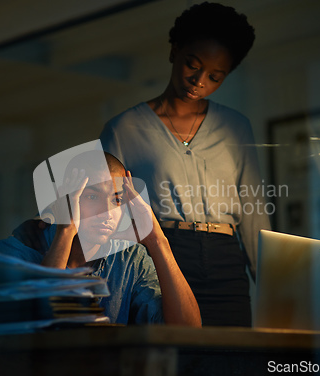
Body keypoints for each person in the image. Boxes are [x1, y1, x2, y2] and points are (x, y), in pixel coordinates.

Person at [99, 2, 271, 326]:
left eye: (215, 77)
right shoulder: (123, 129)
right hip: (162, 258)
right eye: (192, 64)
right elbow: (108, 212)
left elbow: (253, 214)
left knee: (232, 358)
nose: (198, 80)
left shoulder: (236, 127)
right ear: (174, 51)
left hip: (226, 262)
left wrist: (278, 290)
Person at [0, 151, 201, 327]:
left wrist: (157, 242)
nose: (107, 212)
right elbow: (42, 325)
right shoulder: (20, 248)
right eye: (92, 197)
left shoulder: (130, 258)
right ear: (63, 198)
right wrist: (66, 230)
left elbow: (188, 330)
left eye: (117, 199)